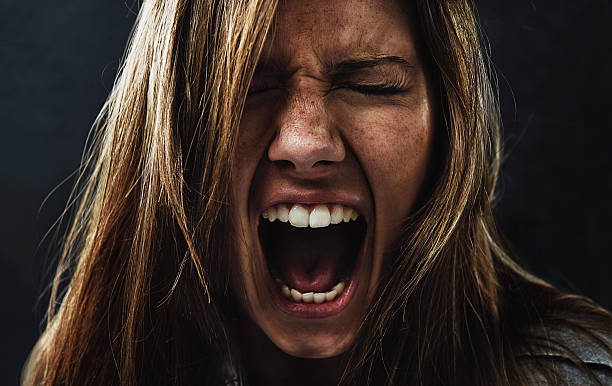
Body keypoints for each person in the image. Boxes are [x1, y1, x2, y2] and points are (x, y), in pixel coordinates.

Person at [22, 0, 611, 385]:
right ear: (168, 129)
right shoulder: (72, 373)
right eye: (249, 85)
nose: (305, 141)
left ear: (448, 130)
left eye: (371, 85)